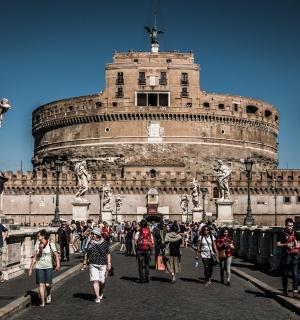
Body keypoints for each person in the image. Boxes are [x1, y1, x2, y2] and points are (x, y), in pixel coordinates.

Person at [29, 229, 60, 307]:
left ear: (43, 236)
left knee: (47, 285)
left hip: (49, 266)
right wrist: (30, 269)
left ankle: (49, 293)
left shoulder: (51, 244)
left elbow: (56, 255)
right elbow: (35, 257)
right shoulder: (37, 245)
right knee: (40, 284)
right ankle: (42, 302)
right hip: (39, 267)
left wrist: (58, 264)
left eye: (38, 236)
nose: (37, 237)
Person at [83, 227, 112, 303]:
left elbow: (108, 253)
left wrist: (109, 263)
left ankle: (100, 291)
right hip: (93, 264)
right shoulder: (90, 242)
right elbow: (87, 253)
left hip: (103, 264)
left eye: (93, 234)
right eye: (92, 234)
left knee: (102, 281)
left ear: (97, 235)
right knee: (95, 281)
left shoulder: (104, 243)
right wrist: (85, 262)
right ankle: (97, 297)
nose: (92, 235)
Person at [277, 218, 300, 297]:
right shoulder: (282, 233)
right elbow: (278, 244)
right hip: (285, 256)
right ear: (286, 225)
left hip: (294, 255)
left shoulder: (296, 233)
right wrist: (286, 244)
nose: (290, 227)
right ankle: (285, 290)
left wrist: (298, 245)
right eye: (289, 225)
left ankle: (295, 292)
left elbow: (299, 243)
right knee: (285, 274)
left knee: (295, 274)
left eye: (291, 226)